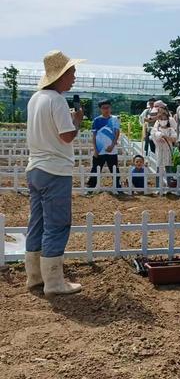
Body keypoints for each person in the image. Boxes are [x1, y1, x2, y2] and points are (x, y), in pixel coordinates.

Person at [25, 50, 85, 296]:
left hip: (36, 167)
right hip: (55, 170)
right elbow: (66, 136)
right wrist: (77, 120)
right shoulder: (57, 100)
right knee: (57, 225)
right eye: (71, 72)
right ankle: (54, 282)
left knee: (37, 222)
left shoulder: (36, 98)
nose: (74, 77)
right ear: (60, 75)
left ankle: (35, 276)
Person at [87, 99, 122, 190]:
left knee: (114, 169)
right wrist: (95, 149)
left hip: (112, 149)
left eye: (108, 107)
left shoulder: (114, 119)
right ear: (100, 109)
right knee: (95, 169)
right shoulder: (96, 120)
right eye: (103, 108)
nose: (106, 109)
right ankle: (91, 187)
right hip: (99, 149)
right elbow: (94, 136)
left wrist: (112, 145)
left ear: (111, 108)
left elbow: (117, 133)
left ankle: (118, 187)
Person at [151, 110, 177, 184]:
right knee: (159, 168)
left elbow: (174, 139)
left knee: (168, 168)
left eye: (165, 119)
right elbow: (154, 137)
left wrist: (165, 136)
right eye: (161, 119)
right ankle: (158, 187)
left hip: (168, 151)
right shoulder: (156, 130)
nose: (163, 121)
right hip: (160, 151)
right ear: (158, 120)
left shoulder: (170, 129)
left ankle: (169, 186)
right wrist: (159, 136)